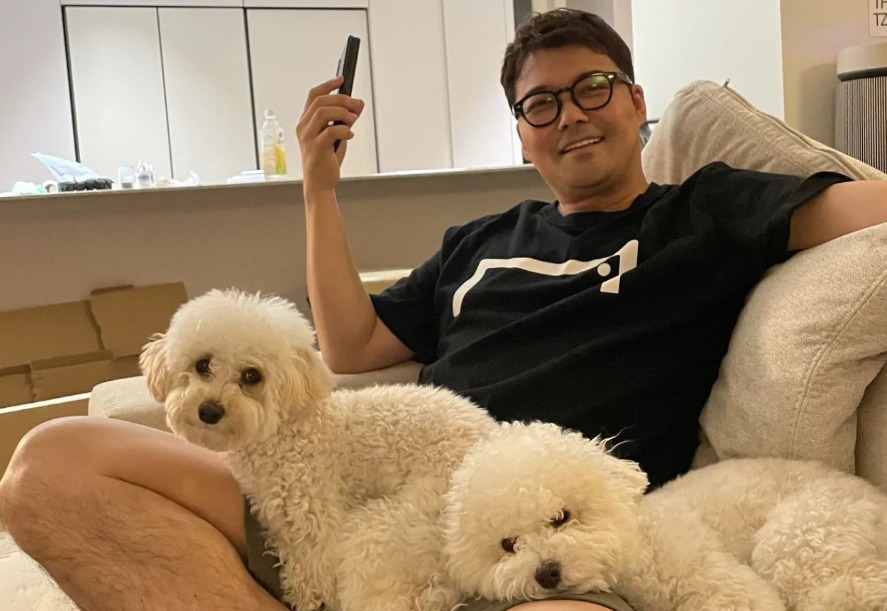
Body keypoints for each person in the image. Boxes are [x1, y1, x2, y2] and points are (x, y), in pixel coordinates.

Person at [1, 8, 885, 611]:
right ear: (521, 132)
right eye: (540, 103)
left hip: (532, 537)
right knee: (50, 462)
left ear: (635, 101)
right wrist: (317, 189)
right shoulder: (480, 240)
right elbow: (349, 344)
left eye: (592, 87)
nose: (569, 116)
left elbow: (868, 207)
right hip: (351, 499)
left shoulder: (706, 209)